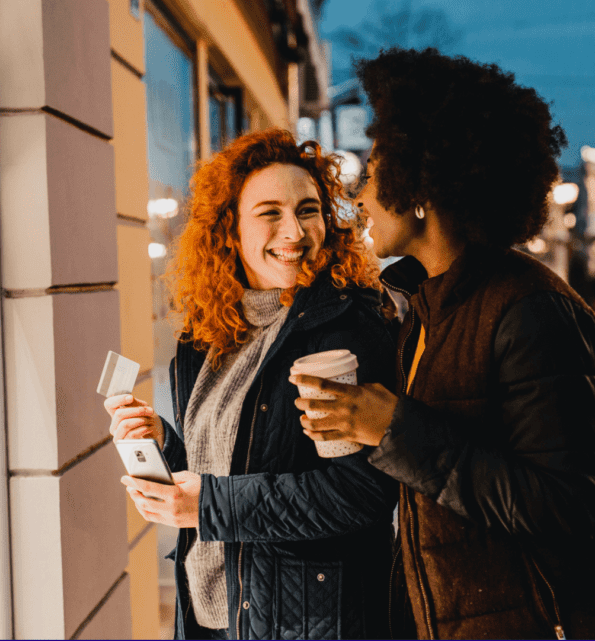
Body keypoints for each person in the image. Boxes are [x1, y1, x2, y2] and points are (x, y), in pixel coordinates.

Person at [290, 48, 595, 639]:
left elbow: (566, 507)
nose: (361, 198)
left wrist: (393, 430)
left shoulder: (532, 311)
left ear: (420, 184)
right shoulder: (424, 307)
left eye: (374, 173)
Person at [104, 129, 401, 640]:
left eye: (308, 210)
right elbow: (225, 466)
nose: (294, 231)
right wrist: (163, 445)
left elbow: (363, 494)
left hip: (309, 622)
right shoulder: (210, 333)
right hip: (212, 616)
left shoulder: (346, 327)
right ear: (230, 230)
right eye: (270, 213)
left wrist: (209, 505)